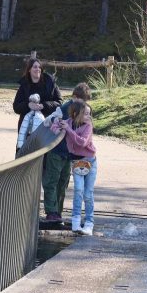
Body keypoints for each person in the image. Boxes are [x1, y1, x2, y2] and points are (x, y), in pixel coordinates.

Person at [42, 82, 92, 222]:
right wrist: (55, 121)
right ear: (75, 97)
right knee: (52, 180)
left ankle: (58, 211)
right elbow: (50, 120)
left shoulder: (82, 111)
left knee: (63, 181)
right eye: (82, 100)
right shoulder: (65, 108)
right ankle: (51, 211)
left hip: (68, 153)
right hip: (57, 151)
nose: (84, 104)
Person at [50, 100, 97, 235]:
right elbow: (54, 128)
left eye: (89, 113)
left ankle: (89, 223)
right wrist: (58, 125)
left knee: (88, 193)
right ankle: (76, 222)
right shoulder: (69, 122)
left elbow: (82, 142)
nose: (88, 116)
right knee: (78, 190)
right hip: (76, 162)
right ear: (76, 114)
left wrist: (68, 130)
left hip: (90, 161)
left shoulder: (88, 126)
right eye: (85, 113)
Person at [13, 58, 62, 132]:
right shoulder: (24, 85)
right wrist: (28, 105)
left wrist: (44, 105)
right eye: (35, 67)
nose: (38, 69)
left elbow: (59, 103)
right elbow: (16, 107)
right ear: (29, 69)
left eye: (39, 67)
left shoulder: (50, 83)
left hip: (47, 124)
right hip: (27, 126)